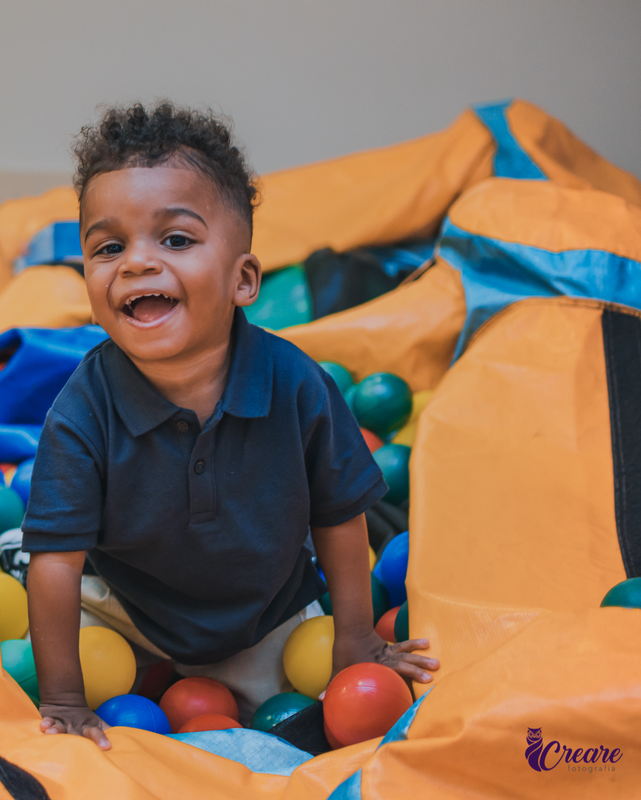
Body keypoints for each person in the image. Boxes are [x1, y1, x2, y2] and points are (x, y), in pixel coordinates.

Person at [21, 102, 438, 750]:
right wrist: (64, 698)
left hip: (263, 621)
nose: (135, 263)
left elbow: (338, 515)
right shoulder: (81, 411)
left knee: (302, 726)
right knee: (45, 647)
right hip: (125, 610)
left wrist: (357, 639)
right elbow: (56, 563)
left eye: (175, 240)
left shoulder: (296, 384)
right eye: (109, 247)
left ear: (243, 280)